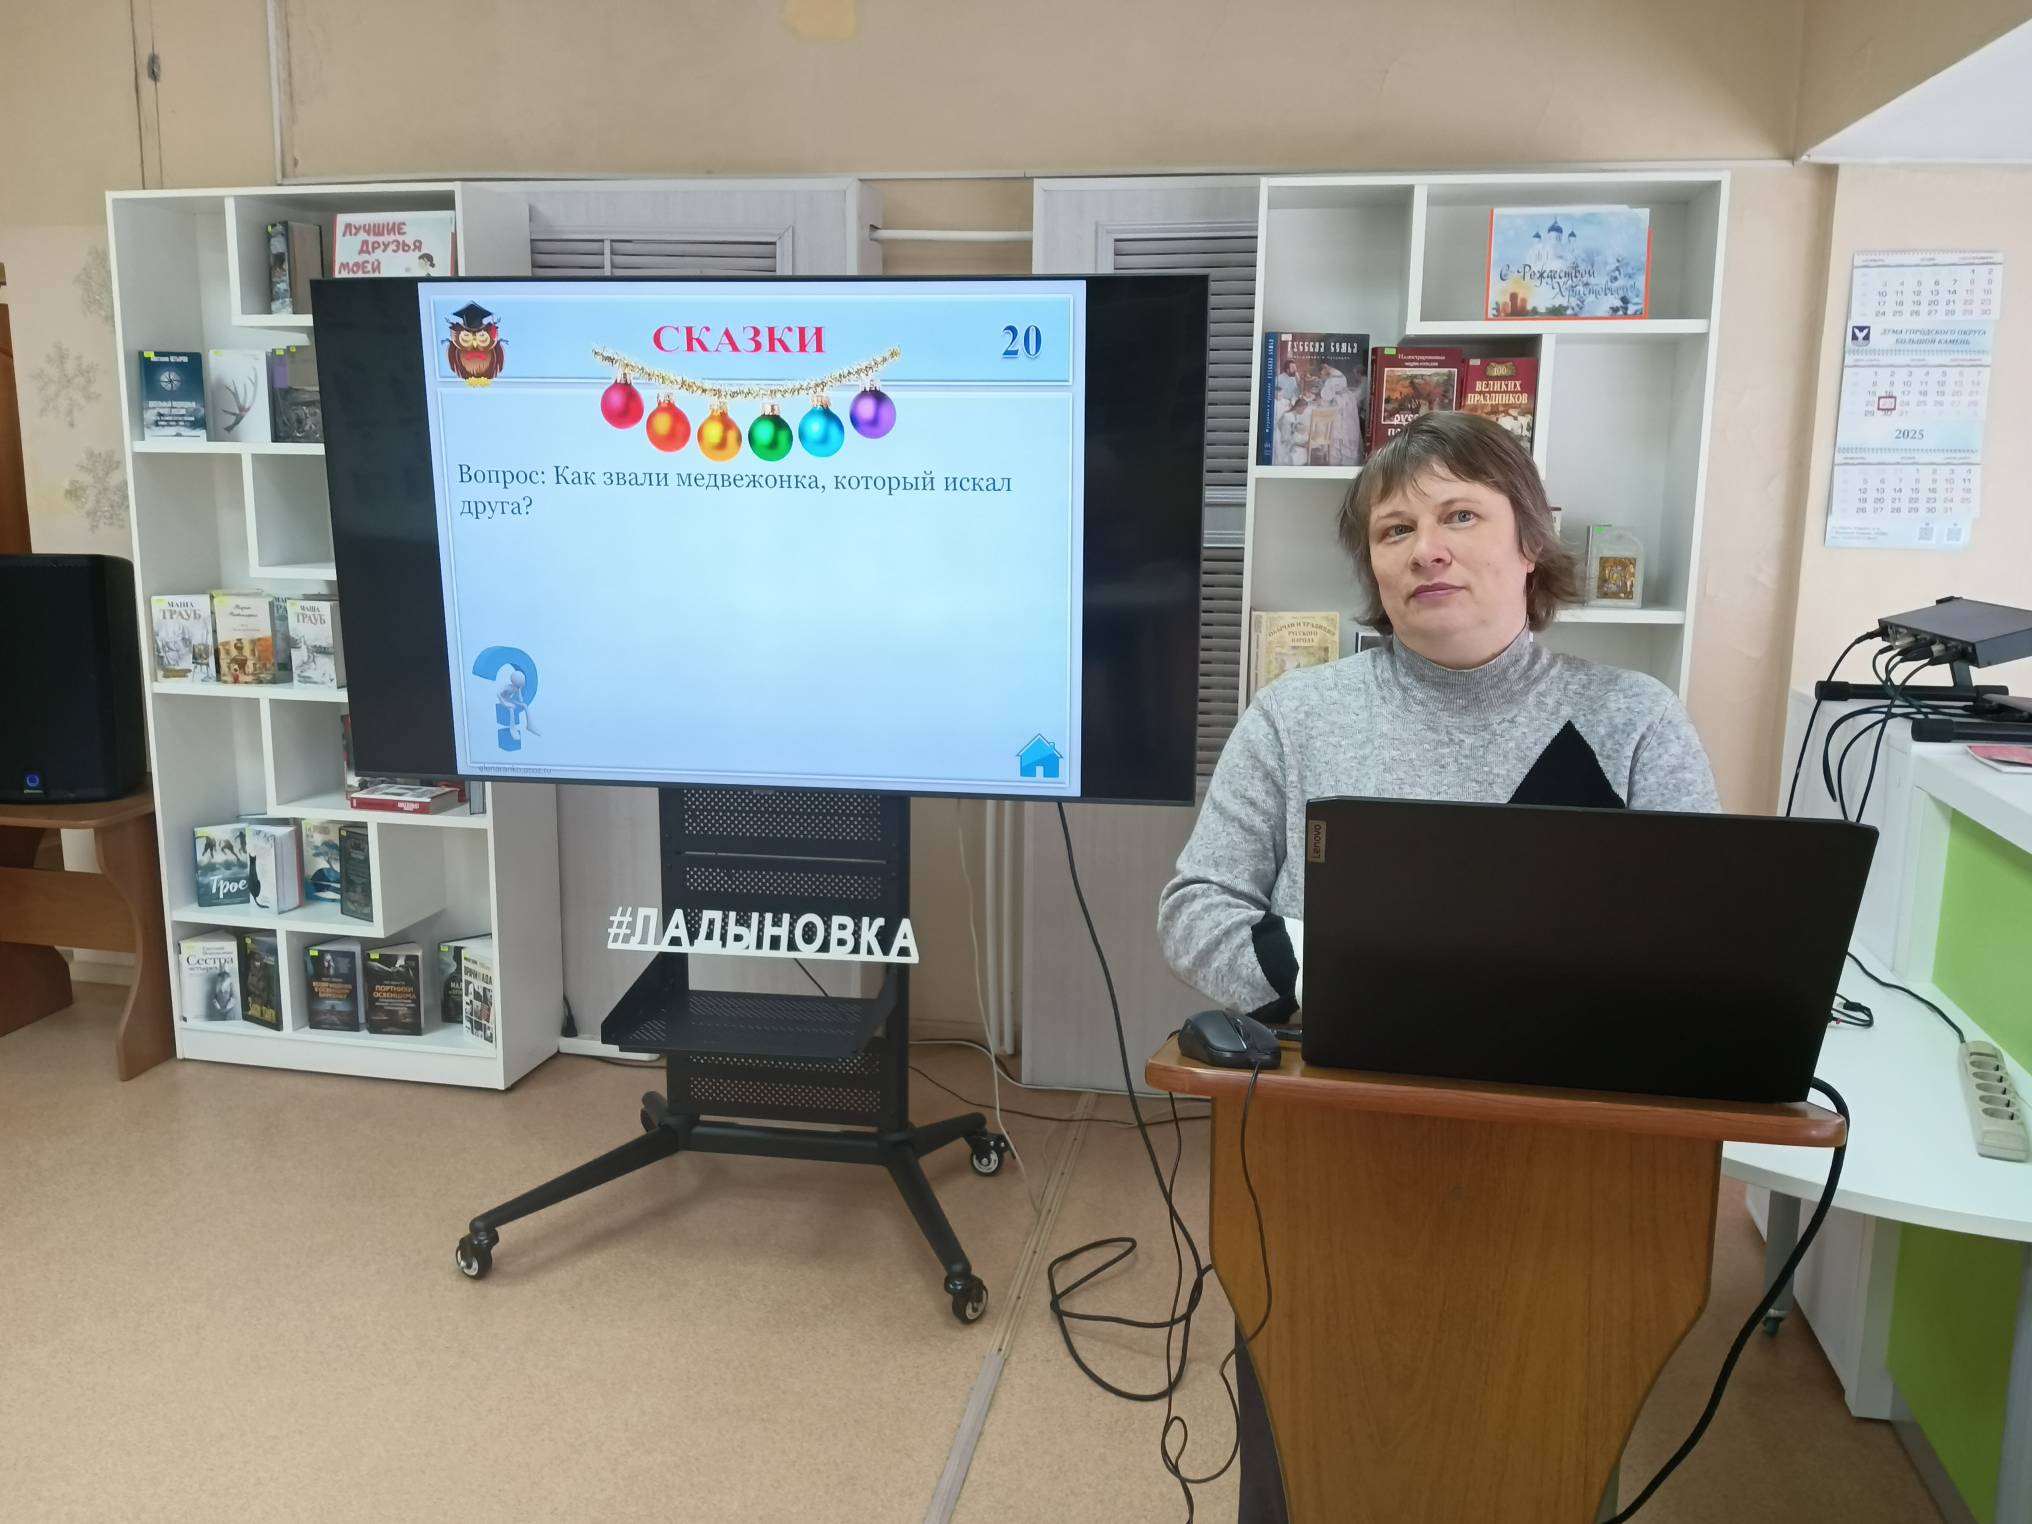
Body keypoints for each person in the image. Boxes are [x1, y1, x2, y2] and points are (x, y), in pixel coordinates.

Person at [1154, 408, 1718, 1523]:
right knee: (1320, 1449)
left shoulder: (1633, 721)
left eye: (1461, 516)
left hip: (1571, 1165)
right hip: (1329, 1148)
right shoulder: (1297, 716)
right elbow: (1196, 907)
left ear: (1530, 542)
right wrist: (1341, 981)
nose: (1426, 549)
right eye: (1394, 529)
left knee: (1536, 1436)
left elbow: (1699, 943)